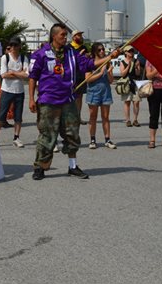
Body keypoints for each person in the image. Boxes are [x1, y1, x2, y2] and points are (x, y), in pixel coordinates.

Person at [29, 23, 119, 181]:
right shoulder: (41, 54)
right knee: (47, 136)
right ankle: (40, 167)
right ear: (54, 36)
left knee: (72, 135)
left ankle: (72, 166)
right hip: (48, 101)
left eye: (66, 35)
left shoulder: (72, 53)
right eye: (62, 35)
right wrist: (31, 98)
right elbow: (32, 77)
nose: (65, 38)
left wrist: (109, 57)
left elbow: (89, 64)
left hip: (68, 100)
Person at [0, 38, 29, 147]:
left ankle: (16, 137)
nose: (12, 47)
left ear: (19, 46)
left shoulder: (23, 57)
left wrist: (12, 72)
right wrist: (19, 73)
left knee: (18, 116)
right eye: (11, 45)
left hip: (19, 91)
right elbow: (3, 74)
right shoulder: (5, 57)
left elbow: (27, 74)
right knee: (1, 114)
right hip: (7, 90)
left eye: (15, 45)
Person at [84, 42, 117, 150]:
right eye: (99, 50)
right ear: (94, 52)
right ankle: (92, 140)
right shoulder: (90, 63)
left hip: (105, 92)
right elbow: (88, 79)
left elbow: (111, 80)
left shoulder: (107, 63)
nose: (102, 51)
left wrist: (108, 72)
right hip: (93, 92)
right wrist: (100, 73)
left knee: (106, 117)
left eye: (103, 49)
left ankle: (107, 139)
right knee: (93, 117)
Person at [118, 47, 143, 127]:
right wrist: (128, 66)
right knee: (127, 102)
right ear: (125, 52)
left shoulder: (136, 61)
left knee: (136, 102)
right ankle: (128, 120)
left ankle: (135, 119)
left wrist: (136, 67)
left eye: (132, 51)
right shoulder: (122, 62)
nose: (131, 53)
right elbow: (122, 74)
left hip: (135, 83)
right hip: (126, 83)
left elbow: (138, 74)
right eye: (129, 51)